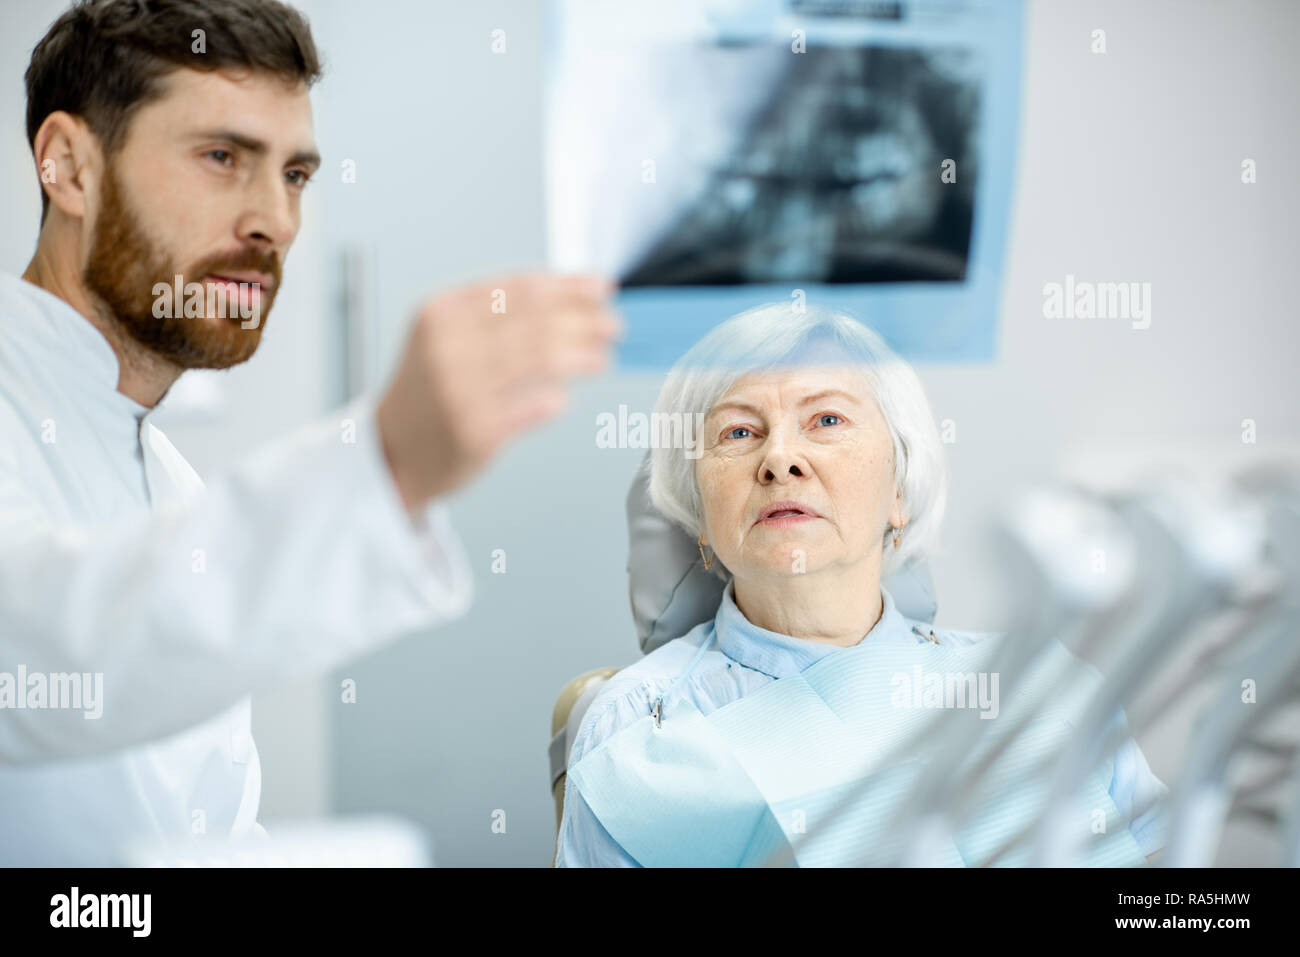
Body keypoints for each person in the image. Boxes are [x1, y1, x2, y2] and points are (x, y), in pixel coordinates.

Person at [0, 0, 619, 865]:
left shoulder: (175, 487)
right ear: (68, 165)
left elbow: (212, 833)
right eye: (223, 157)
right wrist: (387, 461)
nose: (277, 222)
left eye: (295, 175)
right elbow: (42, 643)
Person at [556, 302, 1168, 867]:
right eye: (738, 432)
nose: (781, 459)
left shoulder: (1041, 687)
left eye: (826, 419)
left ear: (899, 490)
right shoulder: (640, 734)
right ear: (700, 518)